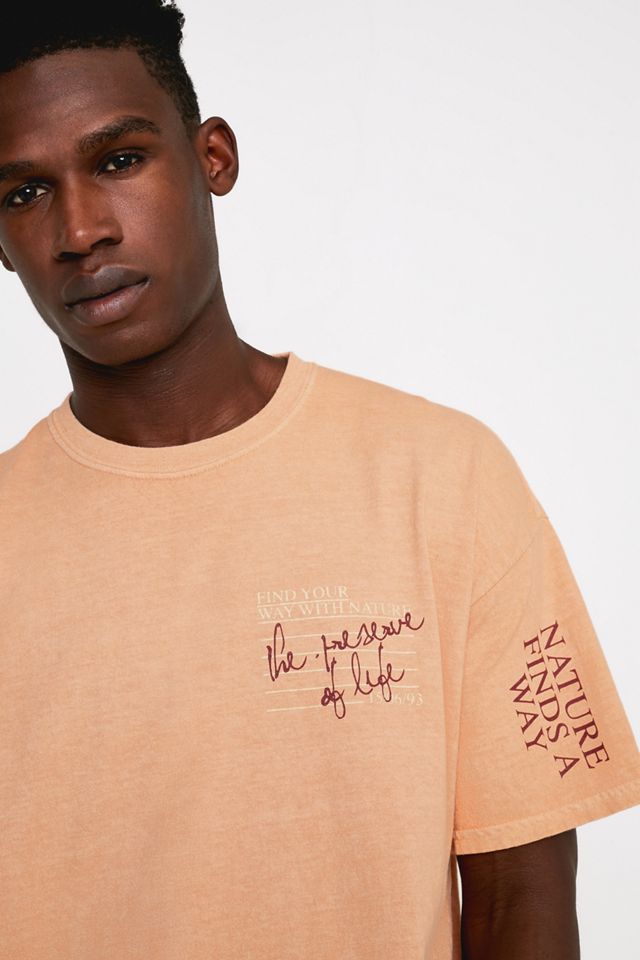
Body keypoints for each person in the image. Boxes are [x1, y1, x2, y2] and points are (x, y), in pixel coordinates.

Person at [0, 2, 637, 958]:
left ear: (213, 158)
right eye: (24, 192)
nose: (81, 229)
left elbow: (521, 903)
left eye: (120, 160)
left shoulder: (443, 480)